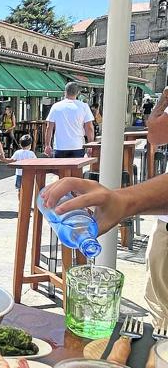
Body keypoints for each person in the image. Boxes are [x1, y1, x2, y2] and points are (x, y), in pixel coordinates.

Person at [41, 88, 168, 326]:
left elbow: (156, 133)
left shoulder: (57, 107)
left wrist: (126, 200)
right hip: (78, 150)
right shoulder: (81, 107)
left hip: (62, 150)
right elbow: (156, 134)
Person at [44, 82, 95, 158]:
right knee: (76, 169)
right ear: (77, 93)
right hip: (78, 145)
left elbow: (49, 127)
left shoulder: (56, 106)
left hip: (60, 146)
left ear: (65, 92)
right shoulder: (84, 106)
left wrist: (47, 145)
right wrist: (91, 145)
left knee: (60, 169)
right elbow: (89, 128)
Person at [0, 134, 37, 199]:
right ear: (30, 145)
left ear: (20, 145)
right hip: (29, 174)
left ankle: (20, 204)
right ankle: (27, 204)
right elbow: (36, 163)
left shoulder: (17, 152)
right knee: (28, 190)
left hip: (19, 174)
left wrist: (3, 159)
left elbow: (11, 160)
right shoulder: (31, 154)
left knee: (20, 190)